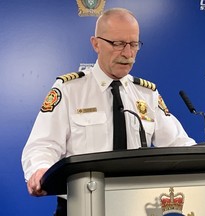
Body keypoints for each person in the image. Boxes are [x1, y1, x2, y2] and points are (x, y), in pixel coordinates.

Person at [21, 7, 196, 215]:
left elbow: (178, 145)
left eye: (133, 44)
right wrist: (40, 170)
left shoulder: (146, 94)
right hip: (82, 206)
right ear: (96, 44)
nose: (128, 53)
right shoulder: (69, 90)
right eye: (118, 44)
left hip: (137, 207)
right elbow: (42, 145)